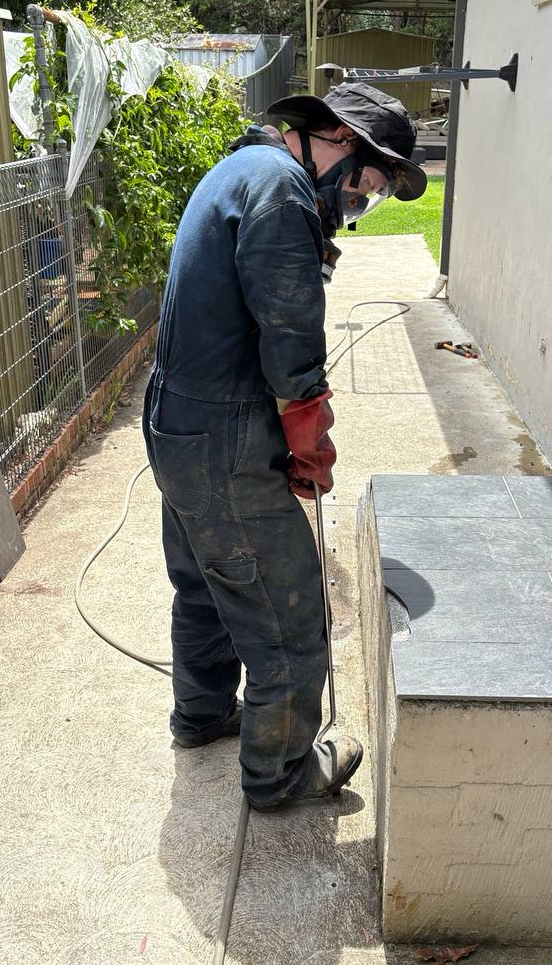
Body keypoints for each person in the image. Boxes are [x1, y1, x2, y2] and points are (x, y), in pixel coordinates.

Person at [143, 82, 427, 811]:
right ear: (338, 139)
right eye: (366, 184)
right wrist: (310, 438)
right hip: (223, 439)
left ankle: (202, 715)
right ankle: (280, 773)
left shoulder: (244, 167)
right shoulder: (283, 192)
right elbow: (290, 334)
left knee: (208, 584)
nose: (358, 202)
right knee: (290, 616)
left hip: (181, 424)